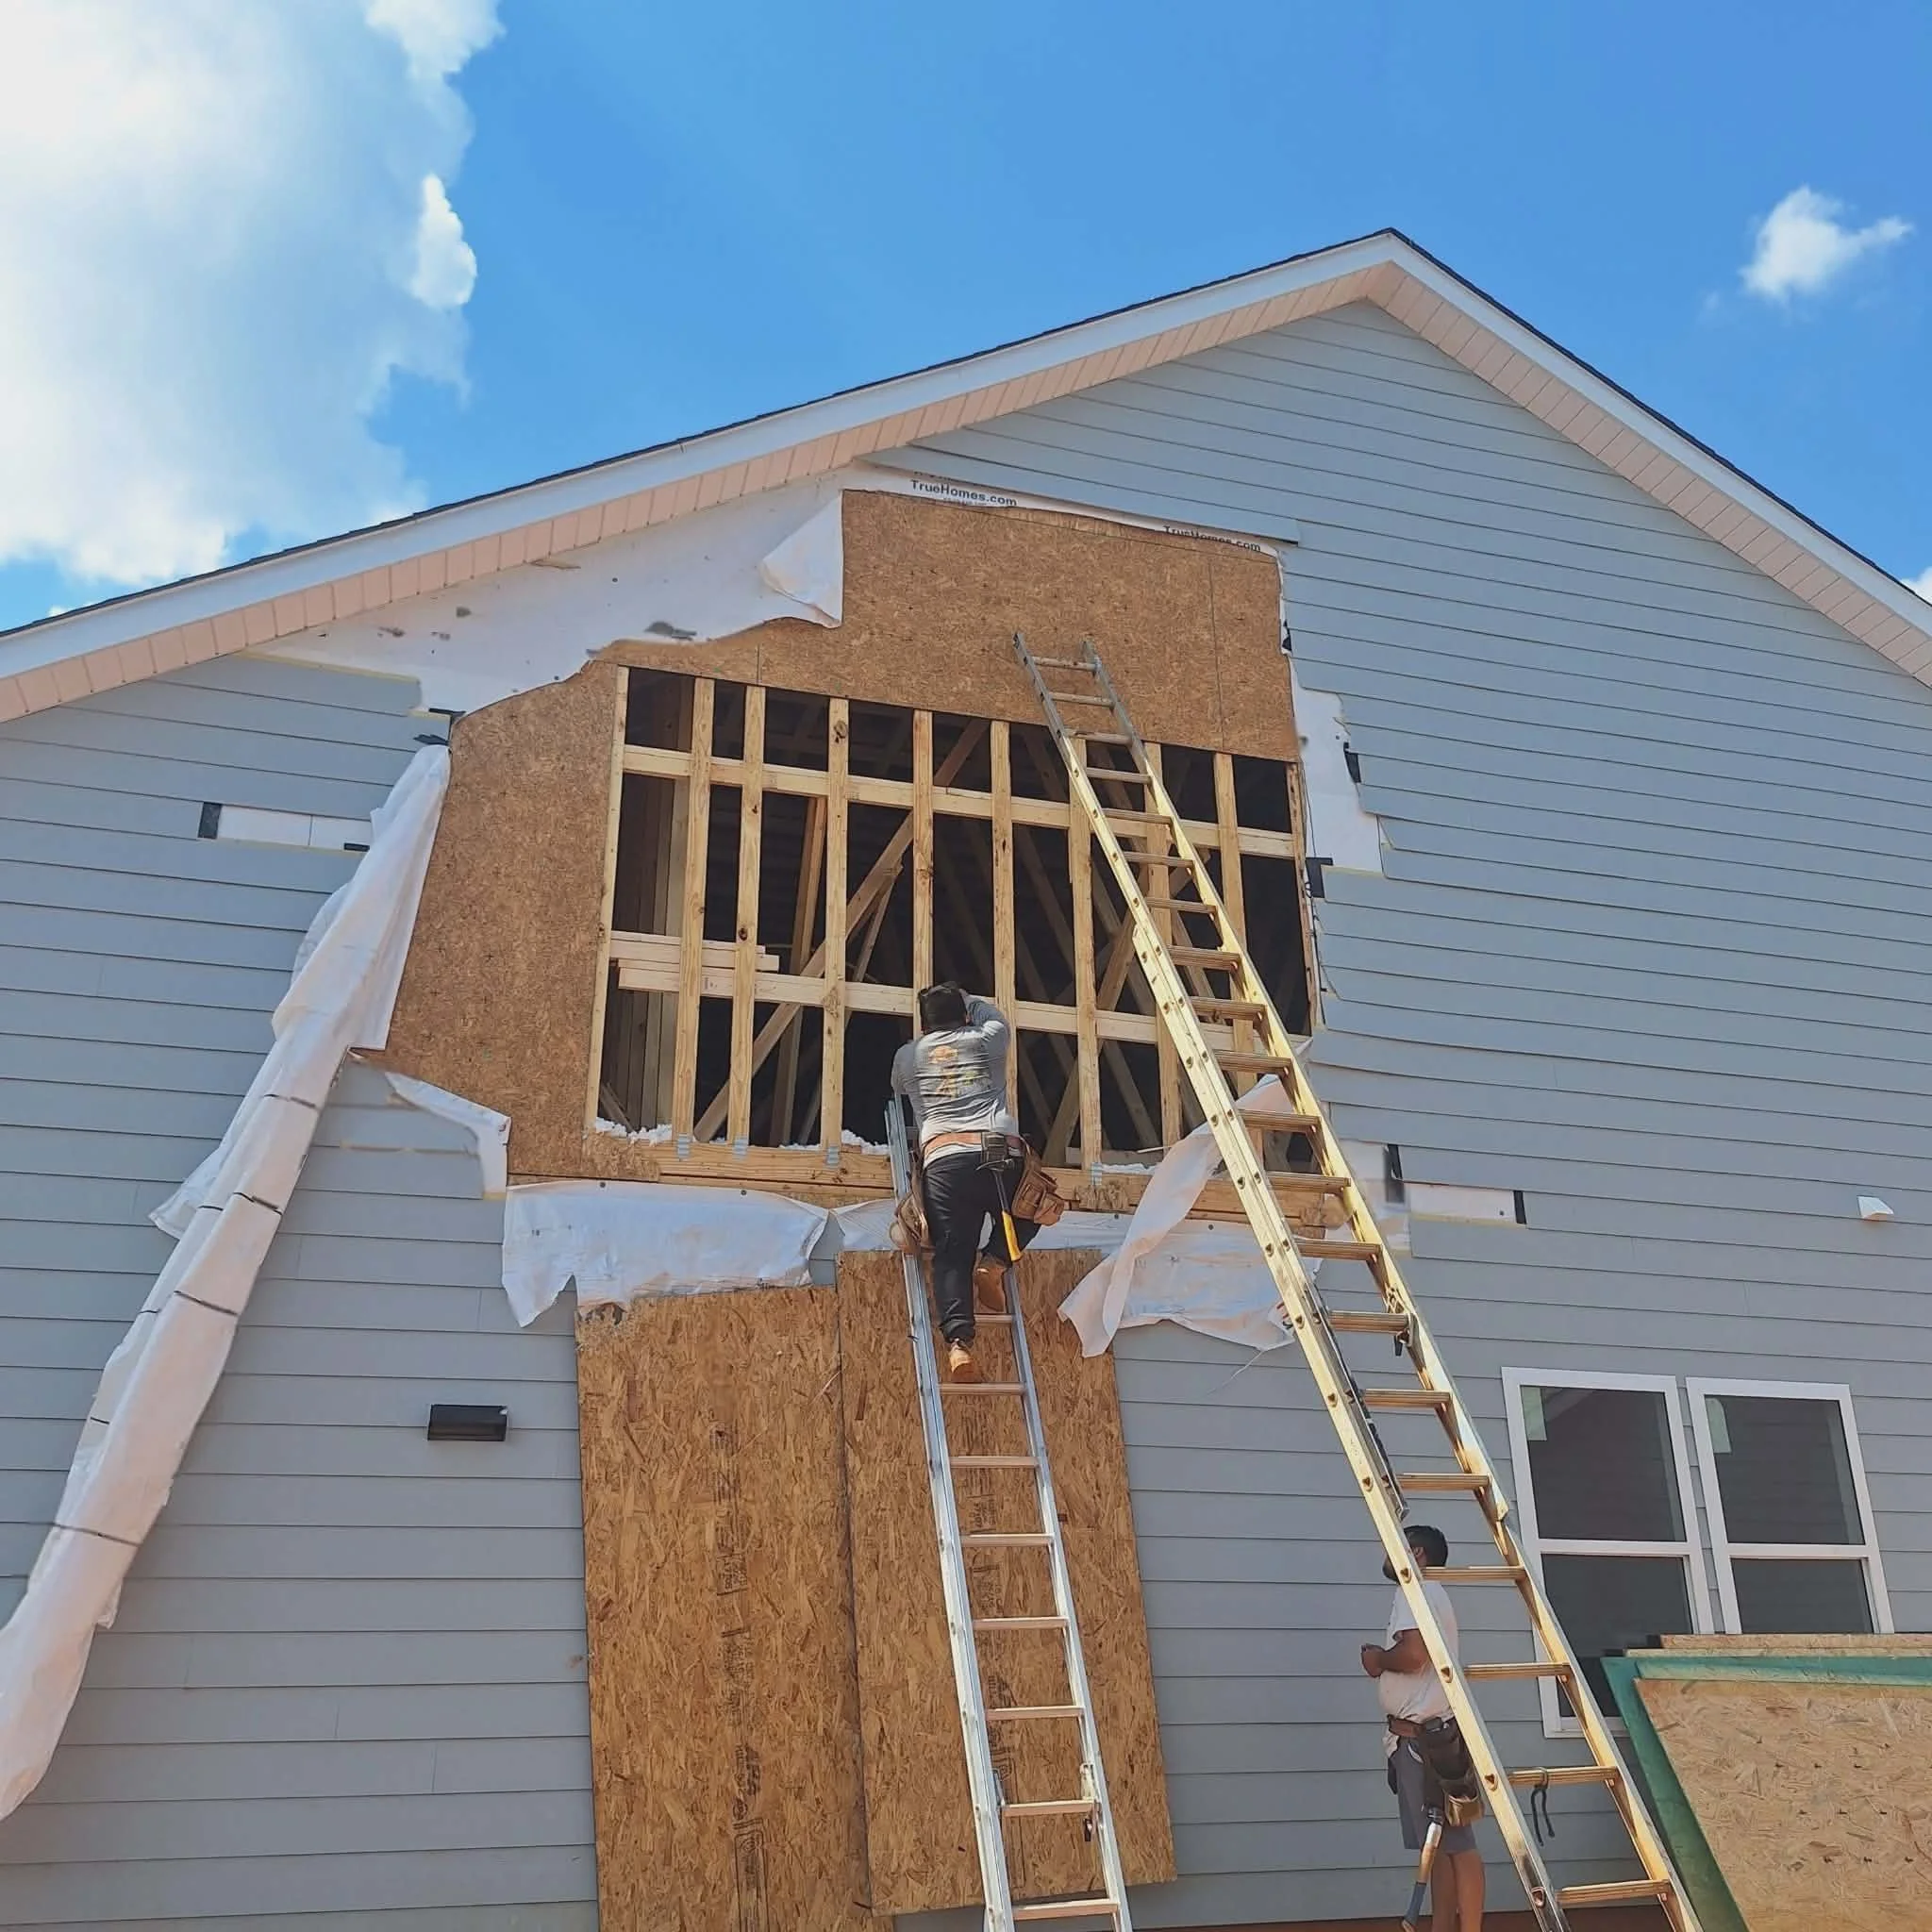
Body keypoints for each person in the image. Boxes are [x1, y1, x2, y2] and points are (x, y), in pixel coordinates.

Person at [891, 983, 1041, 1383]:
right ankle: (993, 1263)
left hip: (945, 1156)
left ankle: (959, 1345)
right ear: (965, 1015)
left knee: (953, 1251)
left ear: (925, 1023)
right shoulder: (988, 1038)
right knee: (1030, 1207)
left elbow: (897, 1089)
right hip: (996, 1147)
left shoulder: (908, 1056)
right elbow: (995, 1016)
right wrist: (968, 998)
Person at [1360, 1524, 1484, 1932]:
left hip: (1426, 1743)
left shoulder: (1416, 1591)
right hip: (1418, 1739)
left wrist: (1378, 1659)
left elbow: (1414, 1655)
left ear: (1416, 1553)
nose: (1384, 1553)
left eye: (1392, 1546)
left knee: (1458, 1845)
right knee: (1439, 1847)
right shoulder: (1429, 1594)